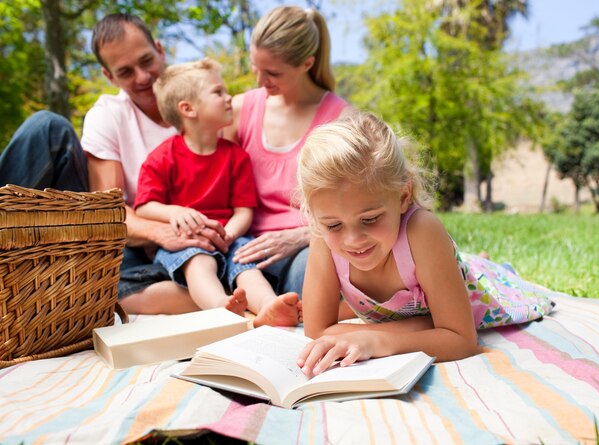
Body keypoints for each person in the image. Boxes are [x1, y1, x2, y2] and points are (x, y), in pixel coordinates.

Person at [294, 112, 555, 376]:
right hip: (433, 288)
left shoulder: (422, 231)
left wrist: (375, 341)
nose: (353, 239)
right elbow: (316, 331)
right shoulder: (322, 238)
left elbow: (461, 340)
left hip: (485, 289)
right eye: (333, 225)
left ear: (403, 196)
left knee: (493, 275)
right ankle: (476, 260)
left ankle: (490, 266)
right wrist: (427, 326)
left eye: (370, 219)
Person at [0, 14, 225, 314]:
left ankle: (199, 292)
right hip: (120, 236)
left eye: (147, 61)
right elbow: (108, 211)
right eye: (126, 71)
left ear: (160, 49)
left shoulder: (207, 105)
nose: (143, 77)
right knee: (47, 126)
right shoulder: (108, 114)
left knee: (203, 270)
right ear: (109, 76)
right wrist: (160, 232)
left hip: (183, 250)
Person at [134, 58, 301, 326]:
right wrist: (175, 212)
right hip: (186, 239)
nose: (228, 98)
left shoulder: (235, 157)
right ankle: (219, 310)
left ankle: (270, 307)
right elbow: (144, 206)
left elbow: (243, 211)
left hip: (230, 236)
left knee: (246, 262)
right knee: (198, 259)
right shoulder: (162, 157)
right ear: (188, 109)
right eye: (217, 92)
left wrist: (230, 234)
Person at [223, 6, 348, 297]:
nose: (259, 81)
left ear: (306, 64)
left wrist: (304, 235)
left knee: (310, 282)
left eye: (272, 73)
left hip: (306, 243)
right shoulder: (240, 109)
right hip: (243, 244)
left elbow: (356, 204)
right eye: (256, 68)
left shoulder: (340, 120)